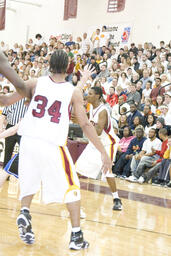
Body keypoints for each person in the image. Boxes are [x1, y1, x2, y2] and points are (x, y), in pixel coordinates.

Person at [0, 49, 112, 250]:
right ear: (69, 67)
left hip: (28, 141)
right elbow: (86, 125)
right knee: (72, 186)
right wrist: (103, 151)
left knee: (29, 181)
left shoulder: (35, 83)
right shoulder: (73, 92)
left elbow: (6, 101)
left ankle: (24, 211)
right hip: (52, 144)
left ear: (49, 64)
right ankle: (76, 236)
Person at [76, 87, 122, 210]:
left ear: (97, 96)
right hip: (95, 143)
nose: (87, 95)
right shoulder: (91, 108)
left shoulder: (103, 111)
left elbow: (98, 131)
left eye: (90, 94)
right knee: (77, 168)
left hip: (108, 144)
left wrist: (85, 123)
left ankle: (116, 199)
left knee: (107, 171)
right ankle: (73, 196)